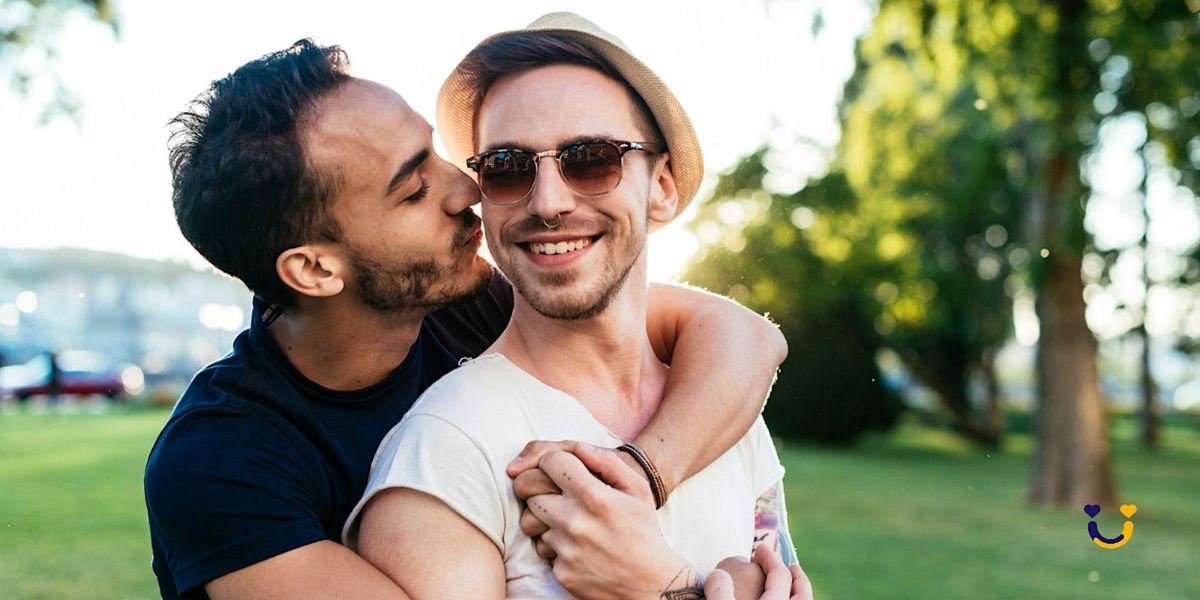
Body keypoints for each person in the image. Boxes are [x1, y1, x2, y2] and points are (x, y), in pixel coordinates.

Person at [143, 37, 787, 599]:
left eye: (436, 154)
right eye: (414, 188)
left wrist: (636, 477)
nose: (466, 189)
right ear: (315, 271)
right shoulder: (220, 462)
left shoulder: (467, 296)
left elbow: (745, 337)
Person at [345, 13, 800, 599]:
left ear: (661, 185)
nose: (549, 201)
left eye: (591, 158)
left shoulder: (724, 414)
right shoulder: (447, 449)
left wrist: (662, 586)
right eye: (507, 169)